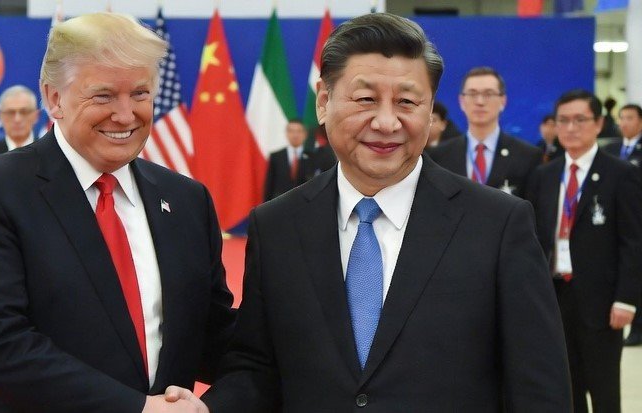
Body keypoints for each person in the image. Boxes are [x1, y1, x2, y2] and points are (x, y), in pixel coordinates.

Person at [166, 12, 571, 412]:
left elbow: (539, 385)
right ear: (324, 102)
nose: (386, 121)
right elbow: (258, 365)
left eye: (407, 102)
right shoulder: (278, 226)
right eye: (365, 99)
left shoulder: (498, 224)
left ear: (430, 113)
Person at [0, 13, 235, 412]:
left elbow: (211, 334)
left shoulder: (186, 200)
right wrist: (138, 409)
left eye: (141, 94)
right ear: (54, 97)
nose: (126, 115)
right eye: (104, 95)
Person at [526, 90, 642, 413]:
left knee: (604, 391)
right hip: (555, 297)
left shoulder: (621, 174)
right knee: (566, 387)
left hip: (602, 303)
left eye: (580, 120)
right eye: (563, 120)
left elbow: (633, 241)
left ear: (598, 124)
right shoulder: (544, 175)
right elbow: (534, 238)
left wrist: (626, 299)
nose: (571, 128)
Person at [428, 67, 542, 198]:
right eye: (472, 94)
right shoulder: (438, 156)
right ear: (461, 101)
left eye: (488, 94)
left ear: (503, 101)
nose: (480, 102)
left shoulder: (528, 156)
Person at [603, 103, 642, 346]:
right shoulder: (613, 148)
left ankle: (638, 326)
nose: (623, 123)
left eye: (629, 118)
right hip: (616, 216)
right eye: (621, 118)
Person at [264, 119, 309, 201]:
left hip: (305, 204)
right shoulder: (276, 157)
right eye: (291, 131)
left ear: (305, 134)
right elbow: (269, 185)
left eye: (299, 131)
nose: (295, 135)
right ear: (286, 134)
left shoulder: (314, 157)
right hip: (280, 203)